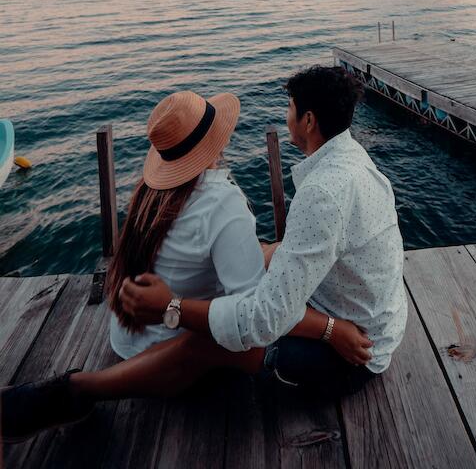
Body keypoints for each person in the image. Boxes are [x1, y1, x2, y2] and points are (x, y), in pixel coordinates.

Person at [2, 66, 407, 441]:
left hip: (355, 354)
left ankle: (78, 390)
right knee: (248, 294)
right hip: (369, 320)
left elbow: (263, 319)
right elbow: (297, 266)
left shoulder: (153, 194)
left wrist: (333, 330)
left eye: (289, 108)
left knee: (218, 340)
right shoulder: (353, 163)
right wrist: (321, 314)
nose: (286, 116)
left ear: (308, 121)